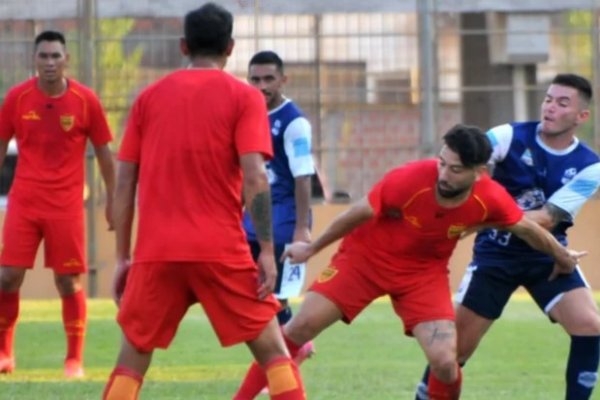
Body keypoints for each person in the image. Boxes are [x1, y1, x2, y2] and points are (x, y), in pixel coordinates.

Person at [234, 123, 585, 400]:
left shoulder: (490, 198)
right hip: (364, 261)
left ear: (479, 172)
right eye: (441, 163)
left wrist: (561, 256)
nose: (444, 174)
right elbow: (359, 213)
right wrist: (312, 248)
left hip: (423, 275)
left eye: (456, 169)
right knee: (297, 330)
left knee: (446, 363)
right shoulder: (410, 178)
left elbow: (525, 228)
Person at [101, 4, 306, 400]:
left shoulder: (148, 98)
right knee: (274, 354)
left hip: (157, 252)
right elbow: (255, 177)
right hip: (220, 251)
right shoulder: (245, 98)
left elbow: (125, 184)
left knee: (132, 358)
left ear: (183, 46)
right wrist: (266, 251)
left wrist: (124, 257)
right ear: (231, 47)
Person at [415, 74, 600, 400]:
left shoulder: (590, 166)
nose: (550, 107)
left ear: (581, 116)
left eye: (562, 103)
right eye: (548, 99)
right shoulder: (507, 135)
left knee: (590, 325)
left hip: (547, 256)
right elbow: (465, 168)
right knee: (453, 353)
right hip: (495, 256)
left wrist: (479, 220)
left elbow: (546, 218)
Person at [0, 30, 115, 378]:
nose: (49, 63)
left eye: (55, 56)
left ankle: (74, 361)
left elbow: (105, 154)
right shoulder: (17, 99)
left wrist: (112, 199)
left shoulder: (85, 100)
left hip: (65, 205)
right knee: (7, 277)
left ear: (67, 59)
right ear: (34, 60)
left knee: (68, 281)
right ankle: (4, 354)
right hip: (24, 201)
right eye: (43, 56)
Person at [243, 50, 317, 362]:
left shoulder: (294, 122)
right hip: (255, 217)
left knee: (276, 295)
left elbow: (303, 177)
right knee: (255, 292)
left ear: (283, 80)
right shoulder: (248, 114)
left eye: (269, 79)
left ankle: (287, 358)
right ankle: (291, 352)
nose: (261, 86)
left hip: (285, 218)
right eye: (255, 79)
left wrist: (301, 229)